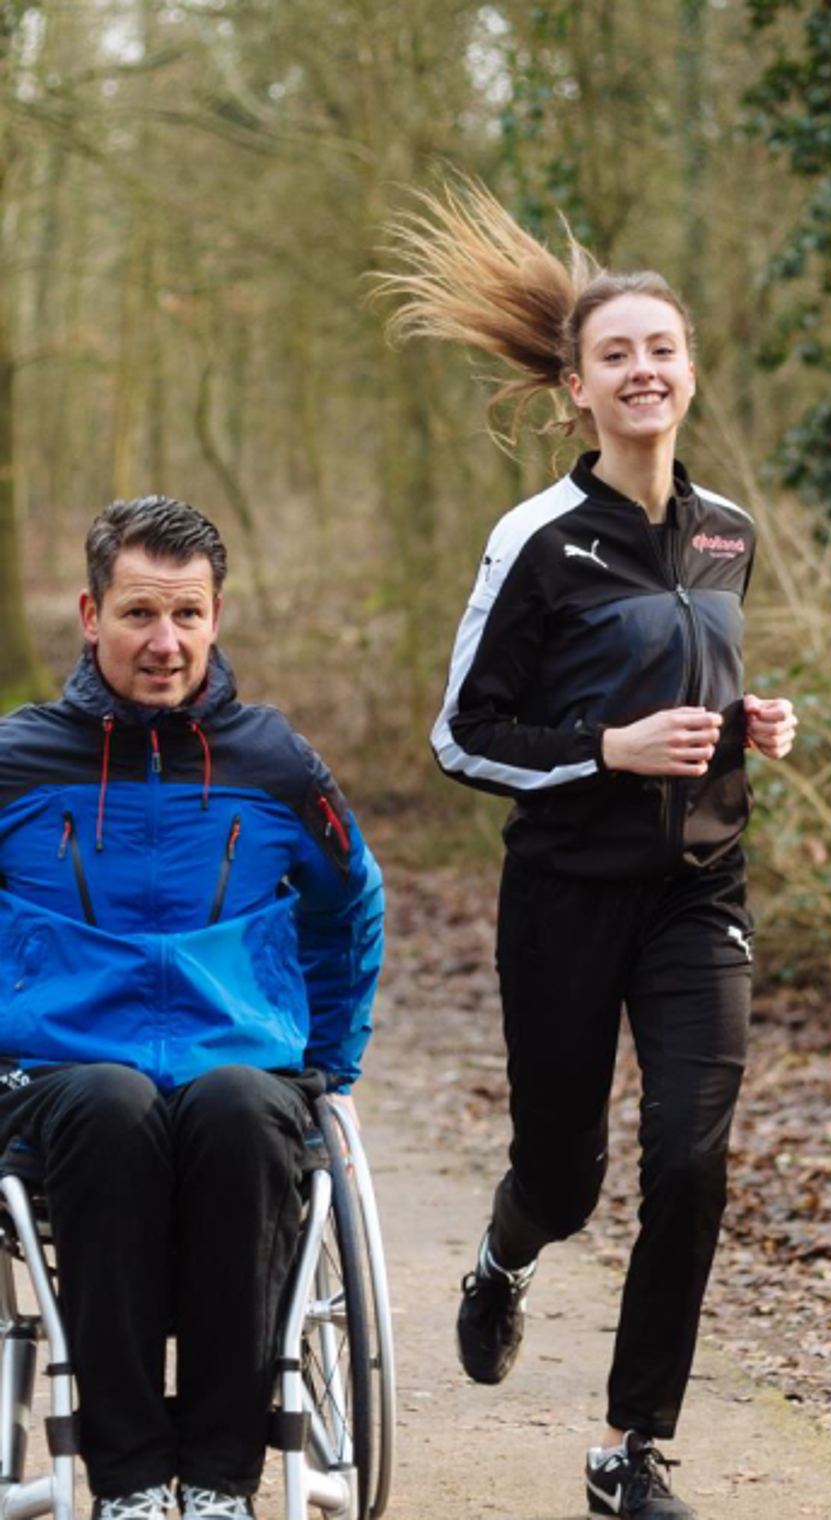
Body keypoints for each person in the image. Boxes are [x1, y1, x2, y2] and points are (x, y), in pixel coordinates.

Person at [376, 181, 797, 1520]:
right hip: (561, 894)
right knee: (564, 1178)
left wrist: (747, 726)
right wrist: (604, 752)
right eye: (613, 353)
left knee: (688, 1154)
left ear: (687, 370)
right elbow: (463, 734)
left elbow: (699, 681)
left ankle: (630, 1450)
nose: (641, 370)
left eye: (659, 349)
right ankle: (502, 1260)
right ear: (574, 388)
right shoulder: (535, 543)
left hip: (697, 892)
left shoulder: (730, 532)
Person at [0, 497, 384, 1520]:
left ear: (218, 616)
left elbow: (351, 903)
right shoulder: (18, 760)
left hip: (238, 1063)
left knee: (237, 1109)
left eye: (186, 614)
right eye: (137, 614)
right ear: (90, 614)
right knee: (111, 1106)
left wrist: (331, 1060)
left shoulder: (277, 762)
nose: (163, 642)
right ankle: (129, 1480)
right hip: (62, 1071)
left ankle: (218, 1476)